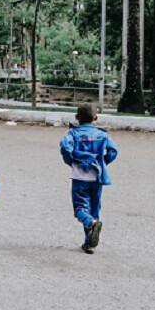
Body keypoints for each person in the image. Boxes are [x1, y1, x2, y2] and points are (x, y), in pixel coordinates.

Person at [60, 104, 119, 254]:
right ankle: (89, 243)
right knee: (94, 208)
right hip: (97, 177)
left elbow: (65, 147)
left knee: (81, 208)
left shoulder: (73, 134)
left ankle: (91, 224)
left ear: (76, 117)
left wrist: (71, 161)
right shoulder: (102, 134)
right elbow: (113, 150)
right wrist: (103, 162)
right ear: (95, 118)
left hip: (79, 177)